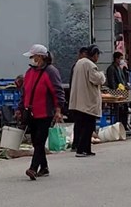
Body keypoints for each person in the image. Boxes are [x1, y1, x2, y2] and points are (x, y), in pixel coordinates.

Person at [18, 44, 65, 180]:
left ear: (40, 57)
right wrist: (20, 109)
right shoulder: (30, 72)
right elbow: (25, 93)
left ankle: (33, 168)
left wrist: (58, 110)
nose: (31, 59)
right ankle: (44, 167)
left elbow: (57, 92)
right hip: (31, 113)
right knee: (35, 142)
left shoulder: (51, 72)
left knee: (39, 141)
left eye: (33, 57)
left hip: (45, 113)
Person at [69, 45, 106, 158]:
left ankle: (85, 149)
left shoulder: (79, 63)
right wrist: (102, 75)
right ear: (94, 55)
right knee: (88, 127)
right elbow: (97, 79)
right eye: (97, 55)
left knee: (80, 126)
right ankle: (82, 150)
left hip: (78, 101)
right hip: (88, 102)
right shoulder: (90, 65)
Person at [68, 47, 88, 151]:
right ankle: (76, 144)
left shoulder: (84, 65)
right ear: (80, 54)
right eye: (84, 54)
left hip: (82, 98)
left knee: (82, 123)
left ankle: (79, 143)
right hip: (78, 98)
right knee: (79, 122)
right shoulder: (77, 66)